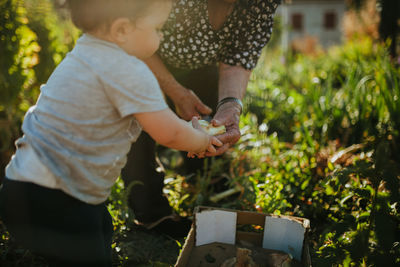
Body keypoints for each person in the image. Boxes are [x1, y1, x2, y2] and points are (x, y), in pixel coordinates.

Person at [0, 0, 223, 266]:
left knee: (101, 227)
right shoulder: (129, 70)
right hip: (57, 200)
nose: (161, 36)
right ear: (121, 30)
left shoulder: (83, 53)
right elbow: (169, 133)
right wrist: (202, 138)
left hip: (21, 189)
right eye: (158, 28)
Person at [121, 0, 281, 238]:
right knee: (140, 127)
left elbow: (238, 58)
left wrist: (230, 106)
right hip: (139, 57)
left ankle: (206, 187)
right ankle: (151, 215)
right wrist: (176, 92)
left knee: (207, 115)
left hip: (198, 66)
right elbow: (131, 39)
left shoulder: (260, 4)